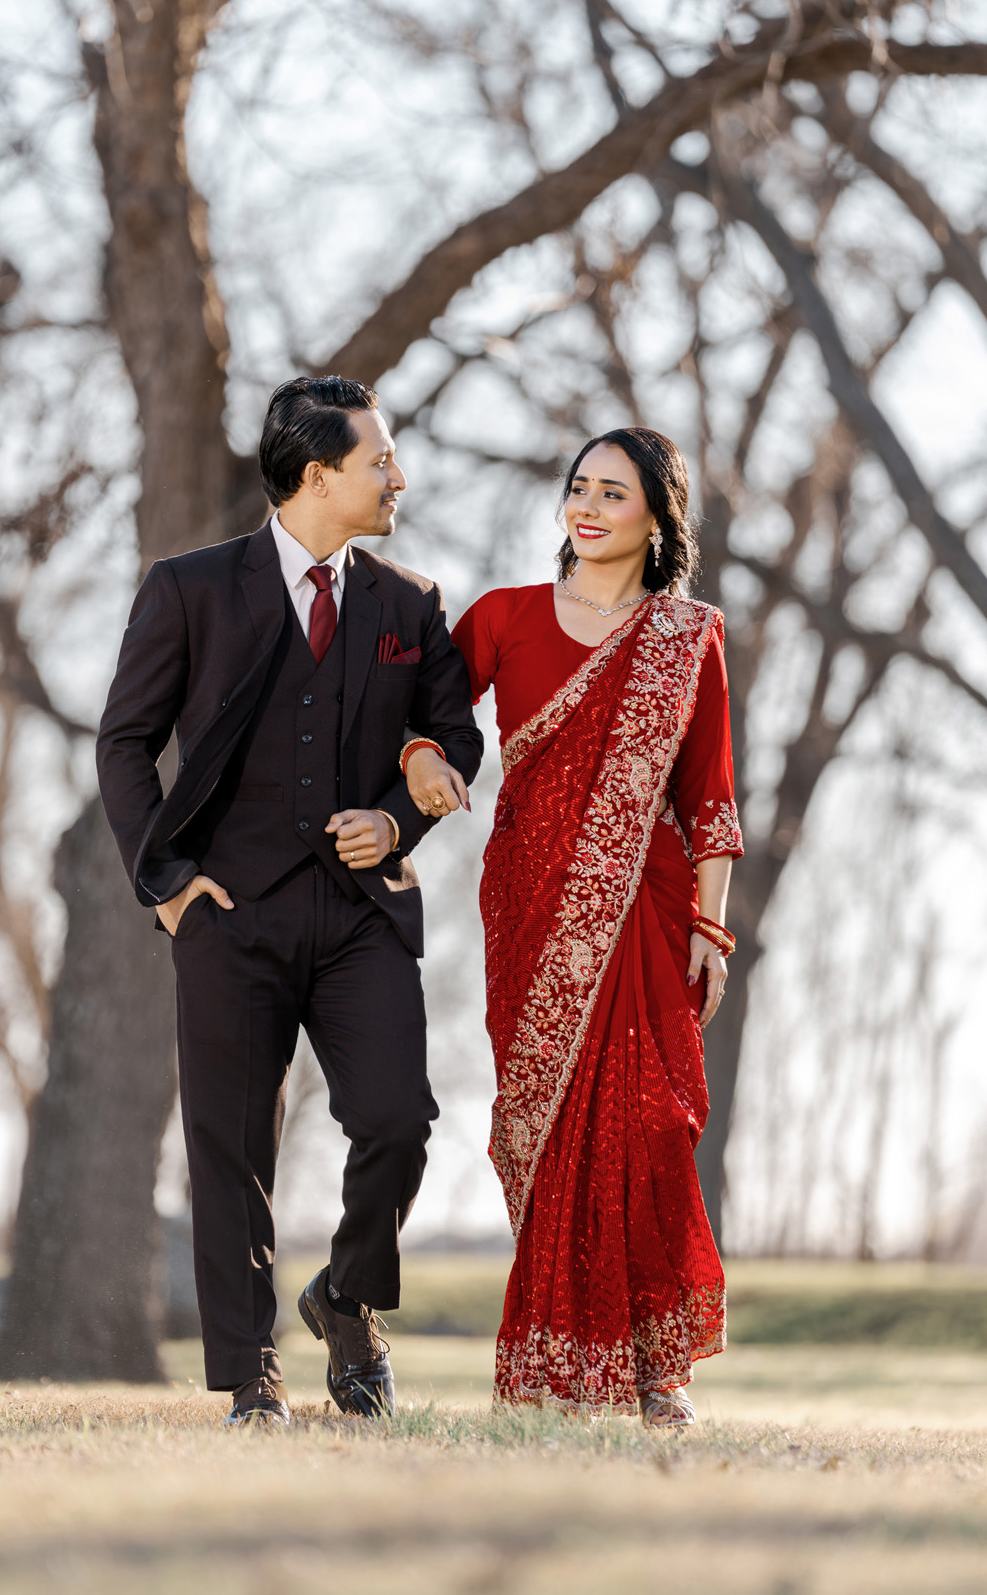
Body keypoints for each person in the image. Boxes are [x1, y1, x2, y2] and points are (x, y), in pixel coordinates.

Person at [96, 376, 482, 1428]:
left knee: (398, 1120)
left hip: (362, 918)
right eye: (379, 461)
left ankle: (347, 1301)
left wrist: (396, 821)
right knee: (230, 1150)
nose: (397, 477)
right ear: (318, 476)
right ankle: (250, 1378)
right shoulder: (188, 589)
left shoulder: (410, 603)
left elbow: (455, 737)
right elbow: (125, 742)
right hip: (228, 912)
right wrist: (167, 886)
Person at [406, 426, 742, 1426]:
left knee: (651, 1125)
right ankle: (556, 1366)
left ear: (657, 518)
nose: (588, 508)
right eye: (579, 488)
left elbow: (712, 797)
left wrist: (711, 929)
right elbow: (424, 709)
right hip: (529, 900)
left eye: (613, 494)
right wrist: (420, 753)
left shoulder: (687, 637)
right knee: (551, 1132)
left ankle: (654, 1371)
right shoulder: (503, 616)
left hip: (649, 907)